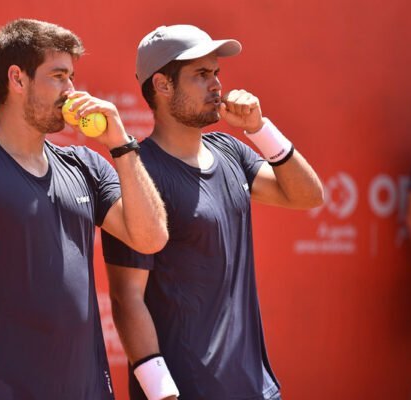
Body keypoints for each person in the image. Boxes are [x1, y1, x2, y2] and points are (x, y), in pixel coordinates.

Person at [0, 19, 168, 400]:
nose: (71, 91)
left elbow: (150, 237)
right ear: (18, 79)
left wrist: (121, 143)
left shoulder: (85, 165)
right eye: (58, 76)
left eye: (72, 77)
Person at [102, 24, 324, 400]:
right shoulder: (138, 177)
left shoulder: (231, 150)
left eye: (216, 73)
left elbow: (307, 195)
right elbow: (127, 299)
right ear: (162, 85)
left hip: (257, 390)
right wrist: (162, 394)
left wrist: (259, 129)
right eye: (201, 75)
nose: (217, 85)